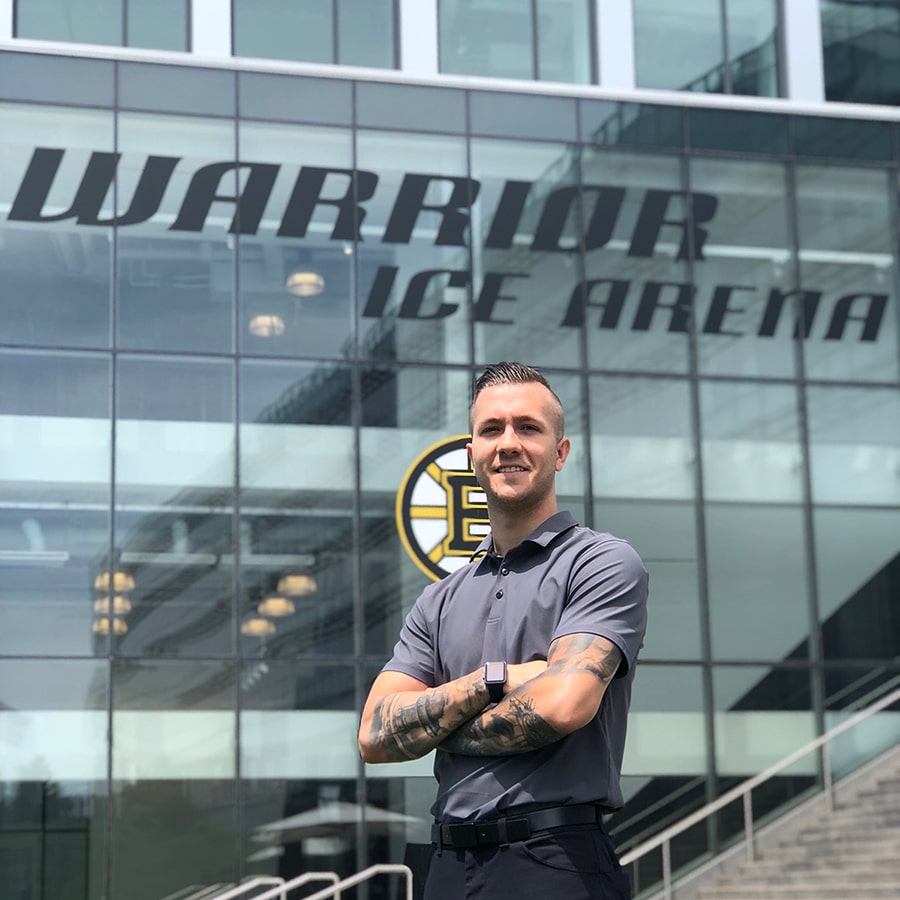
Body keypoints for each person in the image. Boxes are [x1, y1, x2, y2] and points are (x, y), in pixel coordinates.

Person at [358, 361, 649, 900]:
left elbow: (564, 706)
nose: (508, 443)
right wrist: (497, 680)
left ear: (560, 453)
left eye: (528, 428)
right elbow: (374, 735)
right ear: (471, 452)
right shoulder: (438, 599)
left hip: (555, 861)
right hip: (446, 864)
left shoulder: (601, 562)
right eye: (491, 429)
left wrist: (438, 726)